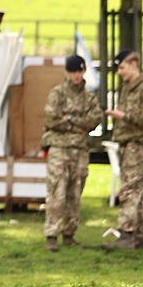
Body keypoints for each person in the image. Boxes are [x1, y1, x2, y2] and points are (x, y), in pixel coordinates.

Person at [41, 54, 102, 251]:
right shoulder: (57, 94)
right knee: (56, 192)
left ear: (84, 71)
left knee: (75, 193)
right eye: (73, 71)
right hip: (59, 149)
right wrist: (76, 122)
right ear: (67, 72)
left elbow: (94, 120)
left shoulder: (89, 97)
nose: (77, 75)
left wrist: (67, 119)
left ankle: (69, 234)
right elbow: (51, 119)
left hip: (80, 151)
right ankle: (51, 235)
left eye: (80, 71)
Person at [103, 49, 143, 250]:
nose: (119, 72)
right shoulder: (128, 88)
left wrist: (123, 116)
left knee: (128, 191)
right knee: (133, 191)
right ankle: (141, 238)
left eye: (122, 67)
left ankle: (126, 236)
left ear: (134, 65)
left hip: (137, 145)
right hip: (126, 145)